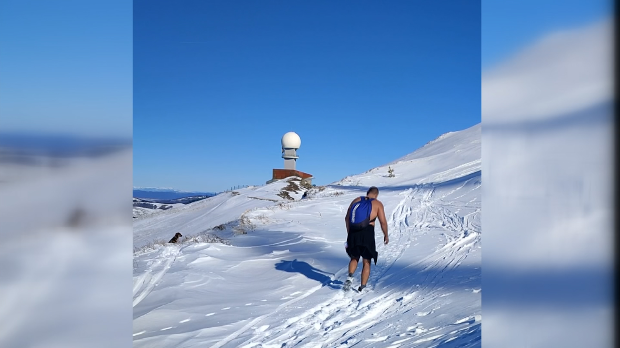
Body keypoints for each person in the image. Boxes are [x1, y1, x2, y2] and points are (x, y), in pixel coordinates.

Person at [344, 186, 388, 292]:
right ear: (376, 195)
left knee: (354, 257)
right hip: (367, 232)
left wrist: (349, 232)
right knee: (366, 261)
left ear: (367, 193)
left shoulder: (356, 200)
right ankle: (362, 287)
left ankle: (350, 277)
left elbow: (347, 218)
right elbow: (383, 222)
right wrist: (386, 234)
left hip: (354, 232)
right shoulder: (377, 204)